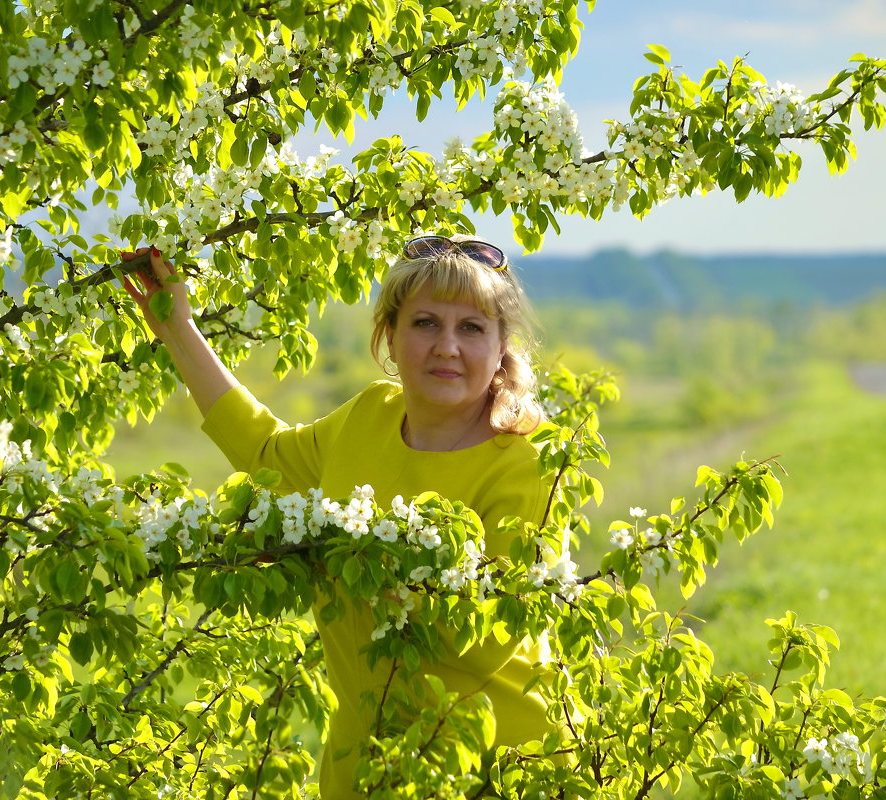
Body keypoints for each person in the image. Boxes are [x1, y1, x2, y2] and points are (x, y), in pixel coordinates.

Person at [119, 234, 558, 798]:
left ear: (501, 348)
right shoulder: (370, 416)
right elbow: (266, 455)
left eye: (471, 328)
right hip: (362, 756)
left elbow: (487, 637)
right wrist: (176, 326)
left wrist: (362, 560)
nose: (447, 346)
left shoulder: (529, 461)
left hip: (499, 766)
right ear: (390, 338)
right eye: (425, 323)